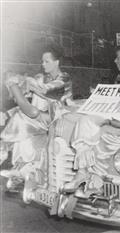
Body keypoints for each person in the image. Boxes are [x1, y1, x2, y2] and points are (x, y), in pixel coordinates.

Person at [61, 42, 120, 195]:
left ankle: (91, 180)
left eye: (118, 58)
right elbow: (116, 104)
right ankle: (84, 175)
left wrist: (111, 121)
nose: (115, 61)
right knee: (85, 121)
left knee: (96, 133)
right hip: (119, 122)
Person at [0, 45, 72, 180]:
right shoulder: (40, 78)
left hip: (60, 117)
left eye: (47, 61)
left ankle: (4, 149)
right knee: (20, 118)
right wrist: (7, 113)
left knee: (22, 117)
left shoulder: (64, 78)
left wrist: (21, 80)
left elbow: (45, 90)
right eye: (42, 61)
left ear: (57, 62)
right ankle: (21, 165)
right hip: (43, 117)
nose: (43, 64)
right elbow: (28, 101)